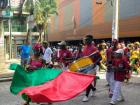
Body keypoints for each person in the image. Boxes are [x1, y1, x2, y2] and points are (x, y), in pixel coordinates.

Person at [82, 35, 100, 102]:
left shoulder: (94, 48)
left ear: (90, 40)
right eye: (85, 39)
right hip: (85, 66)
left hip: (92, 67)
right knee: (84, 81)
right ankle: (93, 89)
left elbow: (100, 58)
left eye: (87, 39)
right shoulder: (84, 47)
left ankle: (86, 96)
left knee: (87, 81)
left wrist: (95, 63)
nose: (85, 41)